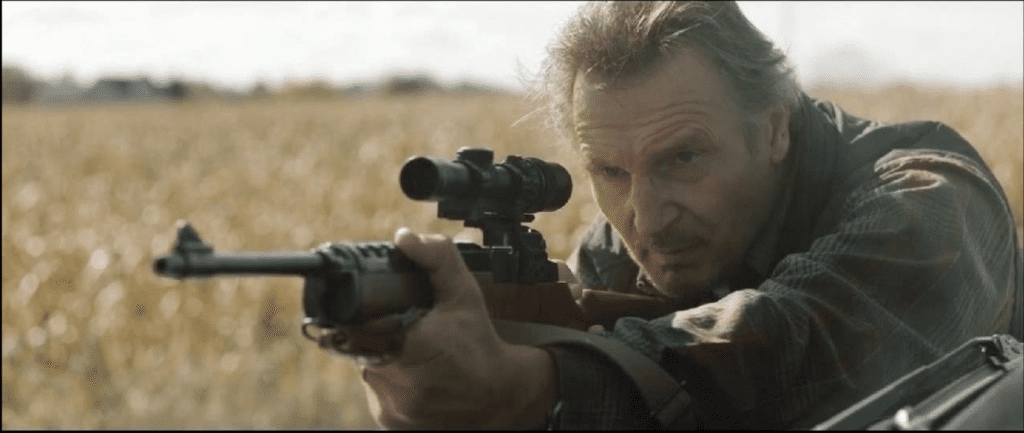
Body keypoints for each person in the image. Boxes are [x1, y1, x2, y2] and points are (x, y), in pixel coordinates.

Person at [339, 1, 1023, 429]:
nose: (645, 216)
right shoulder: (613, 253)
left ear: (774, 127)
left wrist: (541, 387)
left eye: (684, 158)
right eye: (610, 172)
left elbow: (798, 338)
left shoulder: (929, 194)